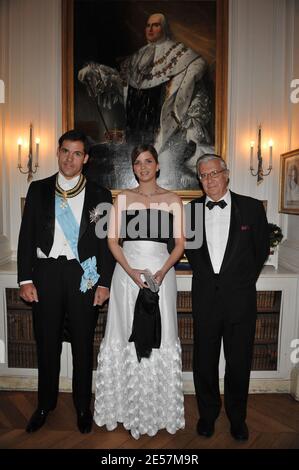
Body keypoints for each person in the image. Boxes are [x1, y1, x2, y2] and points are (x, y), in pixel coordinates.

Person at [17, 129, 115, 434]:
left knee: (84, 345)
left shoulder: (100, 194)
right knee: (46, 344)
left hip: (83, 274)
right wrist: (25, 278)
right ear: (57, 153)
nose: (69, 158)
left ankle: (83, 407)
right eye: (64, 151)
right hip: (45, 274)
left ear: (85, 159)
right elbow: (26, 237)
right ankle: (45, 405)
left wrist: (103, 283)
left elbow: (105, 243)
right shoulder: (39, 189)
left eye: (76, 153)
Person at [93, 144, 185, 439]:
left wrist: (163, 270)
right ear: (133, 168)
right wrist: (132, 272)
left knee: (163, 333)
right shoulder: (123, 199)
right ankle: (123, 408)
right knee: (125, 333)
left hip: (163, 273)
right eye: (137, 162)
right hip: (126, 274)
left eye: (148, 161)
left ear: (158, 166)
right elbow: (112, 241)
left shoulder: (173, 200)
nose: (143, 166)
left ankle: (158, 410)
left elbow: (180, 244)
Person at [185, 154, 269, 441]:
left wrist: (240, 281)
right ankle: (207, 415)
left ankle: (237, 417)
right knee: (204, 361)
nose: (209, 180)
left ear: (227, 174)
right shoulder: (191, 211)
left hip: (240, 300)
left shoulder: (252, 208)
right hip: (205, 298)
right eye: (203, 175)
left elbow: (260, 252)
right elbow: (192, 253)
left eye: (214, 173)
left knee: (239, 361)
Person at [78, 12, 212, 154]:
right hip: (135, 122)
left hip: (159, 120)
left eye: (156, 25)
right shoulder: (138, 55)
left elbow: (197, 64)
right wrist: (95, 71)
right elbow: (120, 81)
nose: (150, 29)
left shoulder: (179, 51)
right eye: (148, 25)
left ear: (164, 28)